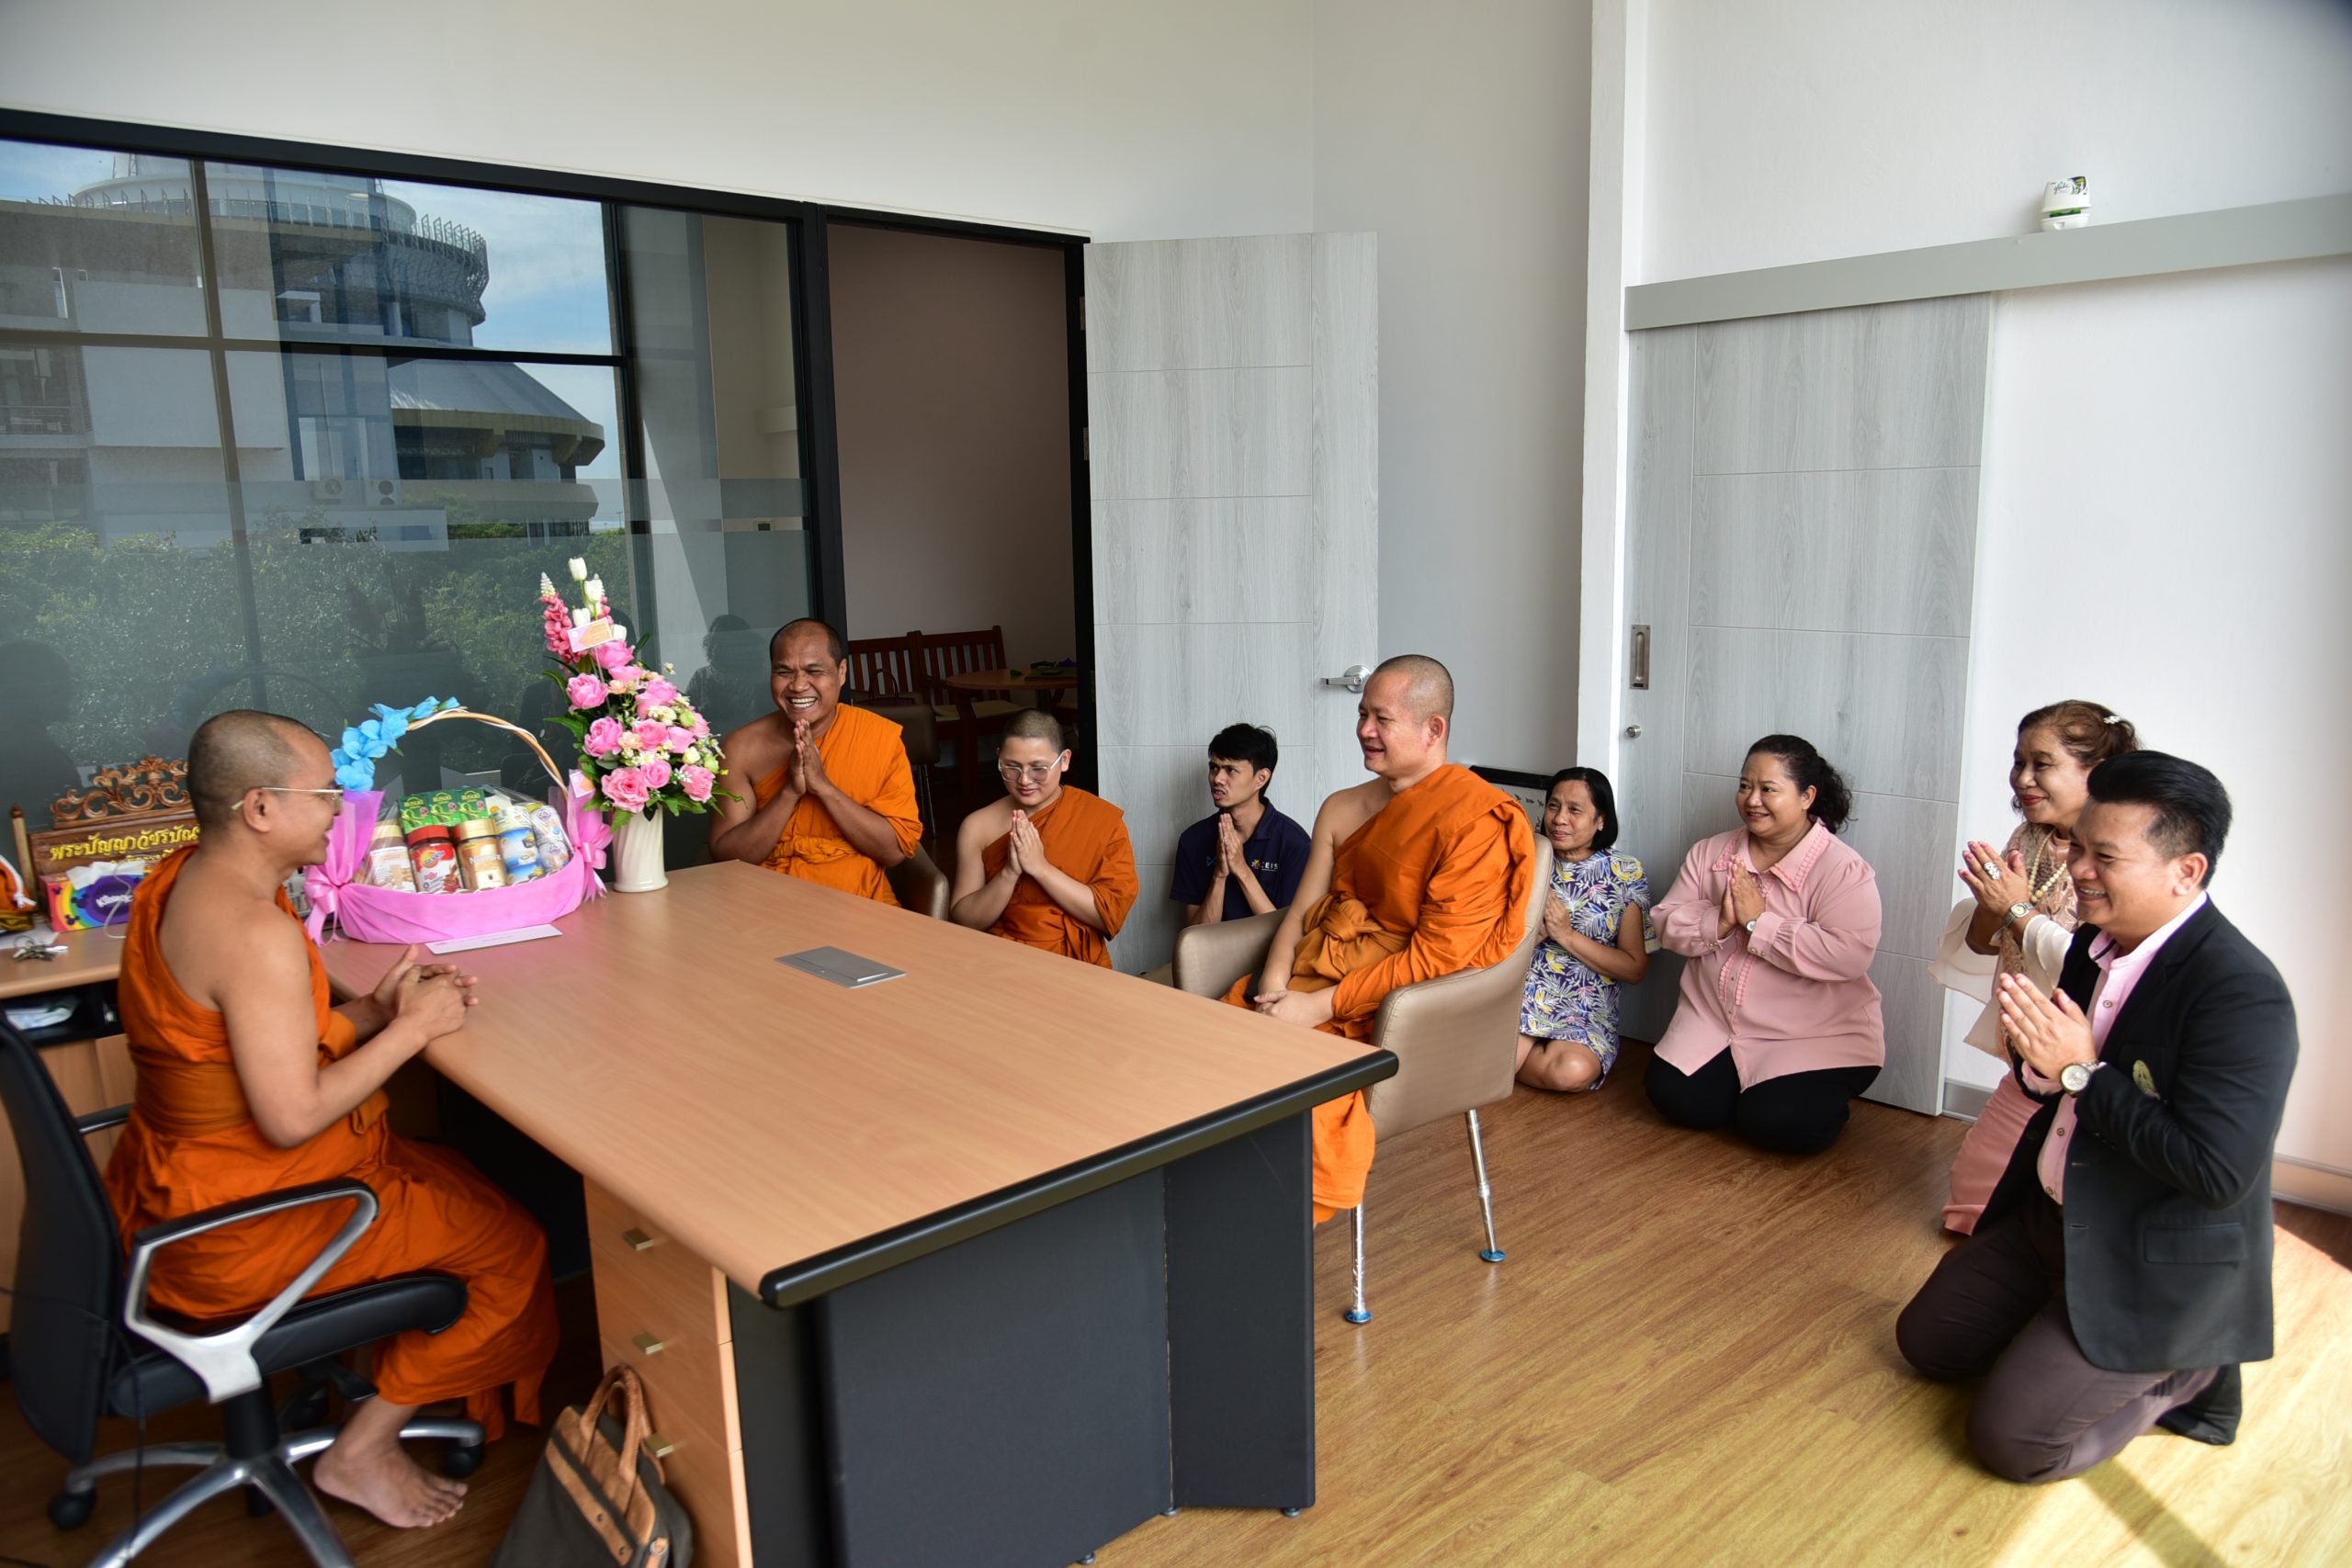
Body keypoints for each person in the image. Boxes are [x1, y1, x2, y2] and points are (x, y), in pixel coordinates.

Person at [104, 711, 558, 1530]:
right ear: (260, 807)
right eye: (323, 792)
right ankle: (361, 1447)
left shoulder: (181, 881)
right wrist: (414, 1032)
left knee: (454, 1170)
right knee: (516, 1246)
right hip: (243, 1228)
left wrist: (378, 1009)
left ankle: (371, 1368)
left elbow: (242, 1054)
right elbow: (291, 1115)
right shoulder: (255, 931)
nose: (339, 809)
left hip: (173, 1191)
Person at [1897, 751, 2296, 1483]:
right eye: (2078, 846)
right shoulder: (2092, 941)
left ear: (2186, 871)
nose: (2076, 869)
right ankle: (2067, 1329)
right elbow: (2056, 1072)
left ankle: (2193, 1371)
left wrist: (2081, 1073)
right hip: (2052, 1221)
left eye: (2104, 857)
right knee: (1927, 1345)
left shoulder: (2241, 992)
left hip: (2149, 1256)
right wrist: (2041, 1063)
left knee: (2013, 1442)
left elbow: (2217, 1172)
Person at [1224, 656, 1535, 1222]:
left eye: (1382, 719)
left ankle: (1256, 1230)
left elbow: (1437, 957)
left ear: (1432, 729)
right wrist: (1273, 987)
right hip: (1309, 972)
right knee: (1206, 1054)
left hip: (1391, 1006)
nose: (1365, 730)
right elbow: (1302, 912)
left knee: (1286, 1093)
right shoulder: (1343, 807)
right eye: (1362, 714)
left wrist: (1317, 1007)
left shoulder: (1474, 819)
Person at [1934, 700, 2139, 1233]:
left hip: (2093, 1055)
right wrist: (1992, 905)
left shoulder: (2123, 856)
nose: (2023, 778)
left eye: (2041, 764)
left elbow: (2095, 969)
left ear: (2097, 773)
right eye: (2018, 761)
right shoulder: (2030, 838)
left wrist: (2017, 909)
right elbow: (1984, 943)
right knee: (1967, 1209)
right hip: (2029, 1052)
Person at [1645, 734, 1883, 1155]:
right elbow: (1665, 923)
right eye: (1745, 786)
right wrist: (1720, 921)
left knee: (1777, 1124)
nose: (1752, 800)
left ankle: (1796, 1101)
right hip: (1716, 1023)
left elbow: (1849, 956)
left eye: (1768, 789)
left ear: (1807, 796)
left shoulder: (1843, 869)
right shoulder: (1710, 852)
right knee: (1678, 1100)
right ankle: (1746, 1093)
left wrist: (1759, 922)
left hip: (1811, 1035)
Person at [709, 617, 922, 905]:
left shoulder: (878, 737)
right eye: (784, 672)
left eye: (814, 671)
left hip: (858, 902)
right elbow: (726, 856)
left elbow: (893, 852)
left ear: (841, 672)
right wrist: (790, 792)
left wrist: (823, 787)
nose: (798, 686)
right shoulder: (741, 748)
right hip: (768, 900)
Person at [950, 708, 1138, 966]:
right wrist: (1009, 873)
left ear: (1064, 760)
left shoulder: (1102, 821)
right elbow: (964, 921)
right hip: (1001, 961)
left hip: (1078, 966)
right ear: (999, 757)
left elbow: (1109, 914)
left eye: (1038, 769)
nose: (1024, 780)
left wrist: (1040, 868)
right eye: (1011, 768)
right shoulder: (978, 827)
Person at [1515, 767, 1655, 1093]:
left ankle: (1501, 1066)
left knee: (1570, 1073)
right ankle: (1505, 1061)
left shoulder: (1625, 872)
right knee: (1496, 1055)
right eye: (1554, 806)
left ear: (1600, 820)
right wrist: (1534, 935)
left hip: (1586, 1004)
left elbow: (1634, 968)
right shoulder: (1527, 859)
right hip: (1523, 991)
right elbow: (1492, 944)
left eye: (1574, 810)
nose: (1559, 819)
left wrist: (1565, 934)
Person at [1170, 723, 1312, 926]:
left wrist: (1242, 870)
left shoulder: (1294, 843)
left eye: (1231, 770)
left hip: (1272, 947)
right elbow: (1195, 936)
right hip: (1213, 946)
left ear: (1260, 778)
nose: (1217, 779)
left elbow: (1289, 931)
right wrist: (1219, 876)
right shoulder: (1193, 840)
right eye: (1214, 768)